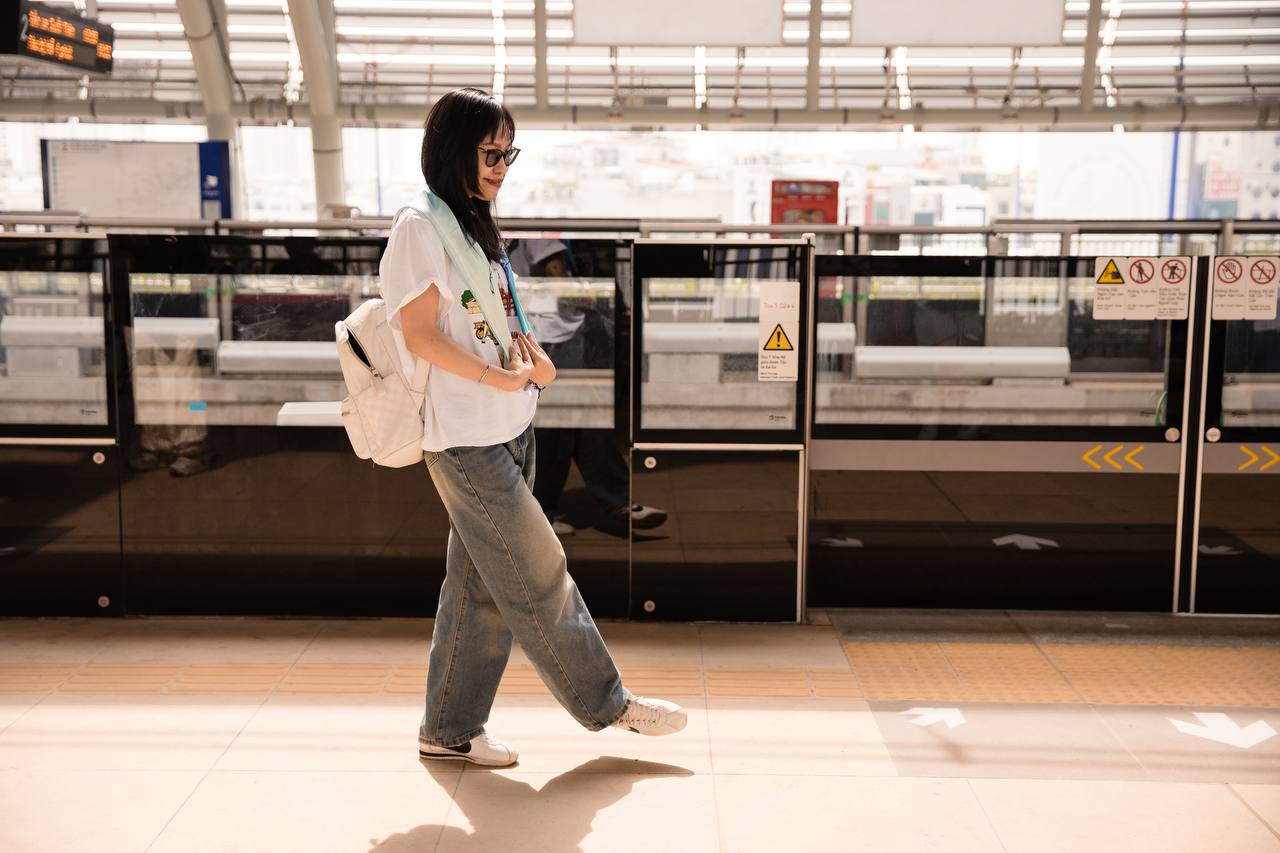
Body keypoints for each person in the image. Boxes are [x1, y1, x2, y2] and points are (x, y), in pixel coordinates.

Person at [377, 87, 687, 769]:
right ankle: (609, 702)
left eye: (508, 153)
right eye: (492, 152)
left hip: (510, 426)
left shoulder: (474, 225)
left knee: (479, 585)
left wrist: (528, 360)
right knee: (541, 570)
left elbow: (485, 322)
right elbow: (421, 334)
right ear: (453, 148)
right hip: (464, 438)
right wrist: (496, 378)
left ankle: (448, 727)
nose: (501, 165)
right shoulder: (418, 228)